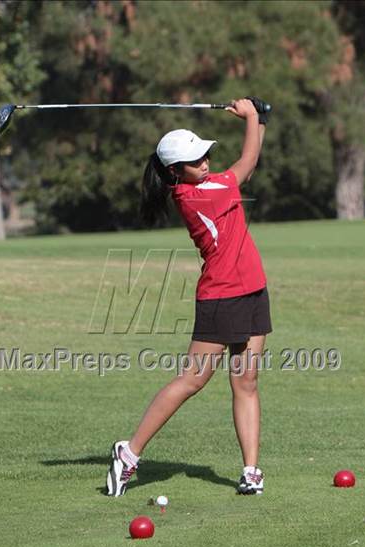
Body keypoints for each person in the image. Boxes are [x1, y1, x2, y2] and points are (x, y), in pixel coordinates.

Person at [106, 98, 272, 497]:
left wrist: (261, 118)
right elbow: (246, 165)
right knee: (194, 379)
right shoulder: (198, 194)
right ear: (174, 172)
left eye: (205, 155)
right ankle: (128, 453)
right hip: (221, 296)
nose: (205, 163)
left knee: (246, 381)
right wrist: (251, 118)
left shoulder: (205, 183)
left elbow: (248, 155)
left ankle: (250, 470)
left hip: (252, 289)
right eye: (196, 160)